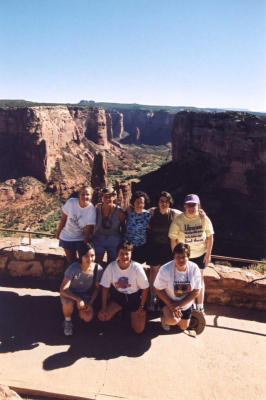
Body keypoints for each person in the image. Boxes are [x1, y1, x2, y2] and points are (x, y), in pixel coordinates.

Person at [168, 194, 214, 313]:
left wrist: (208, 254)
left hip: (200, 255)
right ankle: (188, 306)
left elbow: (210, 236)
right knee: (185, 280)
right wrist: (175, 256)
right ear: (184, 206)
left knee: (199, 280)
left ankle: (200, 306)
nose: (191, 207)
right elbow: (173, 239)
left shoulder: (204, 218)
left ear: (198, 206)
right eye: (189, 205)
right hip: (184, 256)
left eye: (194, 205)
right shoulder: (178, 220)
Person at [98, 242, 149, 334]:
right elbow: (105, 287)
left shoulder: (137, 267)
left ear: (131, 254)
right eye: (121, 253)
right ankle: (121, 310)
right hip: (118, 297)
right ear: (117, 254)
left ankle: (134, 314)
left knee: (139, 330)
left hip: (134, 298)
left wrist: (141, 306)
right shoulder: (111, 267)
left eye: (127, 254)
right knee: (102, 317)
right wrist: (104, 307)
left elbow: (145, 288)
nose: (124, 256)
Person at [154, 242, 201, 332]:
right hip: (169, 301)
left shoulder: (194, 268)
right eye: (177, 257)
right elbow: (158, 289)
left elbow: (196, 291)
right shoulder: (165, 269)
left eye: (183, 257)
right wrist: (171, 305)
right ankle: (164, 317)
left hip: (185, 304)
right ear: (174, 257)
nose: (180, 260)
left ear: (188, 257)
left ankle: (181, 316)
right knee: (172, 320)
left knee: (183, 327)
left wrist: (180, 305)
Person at [146, 191, 181, 310]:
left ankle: (166, 297)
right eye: (161, 201)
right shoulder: (152, 212)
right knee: (153, 271)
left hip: (168, 247)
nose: (164, 203)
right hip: (154, 246)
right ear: (158, 202)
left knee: (167, 272)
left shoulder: (174, 213)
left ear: (170, 203)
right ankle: (153, 296)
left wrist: (202, 214)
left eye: (166, 201)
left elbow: (189, 215)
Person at [60, 243, 103, 336]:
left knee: (87, 318)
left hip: (86, 295)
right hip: (71, 294)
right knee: (68, 303)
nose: (90, 259)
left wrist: (90, 303)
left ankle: (77, 311)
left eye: (92, 256)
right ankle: (67, 321)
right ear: (81, 257)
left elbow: (96, 288)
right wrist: (77, 299)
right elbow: (63, 289)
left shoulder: (98, 269)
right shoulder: (73, 268)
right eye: (86, 256)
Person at [56, 186, 96, 265]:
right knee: (71, 262)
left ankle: (81, 277)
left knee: (83, 262)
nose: (85, 197)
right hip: (67, 237)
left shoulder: (91, 209)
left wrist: (85, 244)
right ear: (79, 195)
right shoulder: (71, 202)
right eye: (82, 194)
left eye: (87, 194)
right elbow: (63, 219)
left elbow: (88, 229)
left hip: (80, 239)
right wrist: (58, 233)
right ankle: (72, 277)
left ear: (91, 196)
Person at [91, 186, 125, 266]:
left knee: (112, 264)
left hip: (114, 240)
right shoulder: (97, 207)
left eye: (109, 197)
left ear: (114, 197)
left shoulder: (120, 212)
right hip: (99, 238)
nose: (107, 199)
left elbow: (123, 228)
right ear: (102, 197)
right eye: (105, 197)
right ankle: (96, 277)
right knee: (96, 262)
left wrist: (122, 243)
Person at [124, 191, 151, 263]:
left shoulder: (147, 215)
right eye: (137, 202)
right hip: (128, 245)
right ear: (133, 202)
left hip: (141, 245)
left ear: (144, 204)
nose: (139, 204)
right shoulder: (128, 213)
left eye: (142, 202)